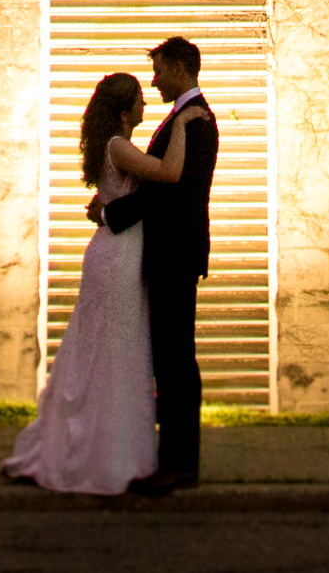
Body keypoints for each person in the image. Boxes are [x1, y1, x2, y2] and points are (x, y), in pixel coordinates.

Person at [0, 72, 157, 495]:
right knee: (115, 348)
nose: (147, 107)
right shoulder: (120, 146)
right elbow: (167, 173)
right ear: (126, 112)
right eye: (141, 101)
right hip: (118, 256)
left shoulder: (110, 144)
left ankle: (103, 443)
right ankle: (102, 452)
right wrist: (183, 126)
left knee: (106, 347)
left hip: (113, 250)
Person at [100, 37, 216, 496]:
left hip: (176, 254)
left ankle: (181, 464)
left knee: (175, 360)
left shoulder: (197, 121)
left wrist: (114, 213)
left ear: (181, 69)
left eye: (159, 70)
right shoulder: (183, 118)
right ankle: (171, 458)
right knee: (168, 357)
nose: (154, 80)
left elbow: (171, 187)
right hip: (169, 252)